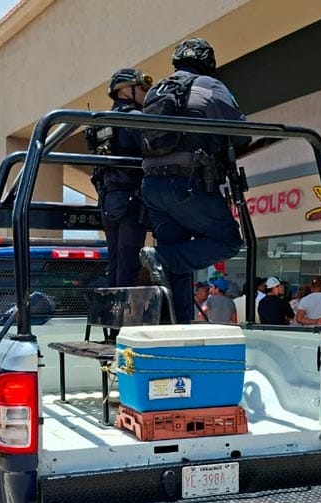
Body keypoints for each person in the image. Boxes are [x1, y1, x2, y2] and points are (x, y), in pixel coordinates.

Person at [138, 37, 248, 323]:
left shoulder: (155, 91)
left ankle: (174, 325)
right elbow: (241, 133)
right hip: (187, 185)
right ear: (208, 62)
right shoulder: (210, 86)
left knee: (177, 262)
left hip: (152, 187)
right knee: (228, 241)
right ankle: (161, 258)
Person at [90, 68, 153, 287]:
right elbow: (154, 149)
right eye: (142, 88)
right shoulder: (135, 118)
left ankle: (112, 307)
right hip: (131, 198)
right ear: (125, 90)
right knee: (129, 266)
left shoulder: (103, 121)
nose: (146, 92)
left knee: (116, 262)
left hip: (109, 199)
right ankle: (123, 309)